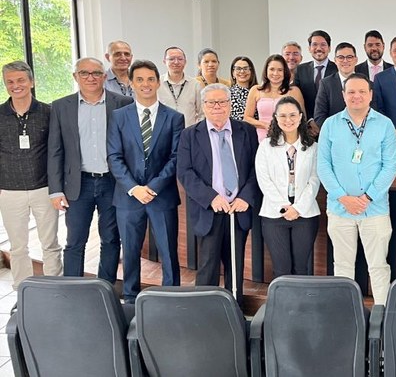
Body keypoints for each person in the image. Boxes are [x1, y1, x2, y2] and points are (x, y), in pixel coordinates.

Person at [47, 57, 133, 282]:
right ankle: (72, 290)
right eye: (84, 73)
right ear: (75, 77)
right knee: (75, 241)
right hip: (78, 184)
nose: (91, 78)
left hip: (112, 182)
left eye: (96, 73)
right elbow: (55, 150)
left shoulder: (122, 103)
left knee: (111, 239)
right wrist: (55, 190)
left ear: (105, 77)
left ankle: (105, 289)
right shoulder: (60, 106)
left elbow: (130, 147)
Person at [107, 60, 184, 303]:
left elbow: (175, 157)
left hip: (162, 195)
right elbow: (114, 156)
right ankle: (130, 298)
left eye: (150, 79)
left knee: (168, 251)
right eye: (139, 79)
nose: (146, 84)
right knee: (130, 251)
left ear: (158, 82)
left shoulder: (174, 118)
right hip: (128, 197)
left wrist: (152, 187)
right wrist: (134, 188)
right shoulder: (119, 116)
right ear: (131, 83)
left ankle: (170, 297)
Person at [317, 74, 396, 304]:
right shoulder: (330, 125)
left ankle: (382, 317)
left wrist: (368, 197)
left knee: (378, 266)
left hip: (375, 209)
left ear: (371, 95)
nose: (357, 96)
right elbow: (323, 166)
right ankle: (345, 317)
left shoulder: (384, 125)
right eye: (351, 92)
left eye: (362, 91)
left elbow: (390, 165)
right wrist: (343, 197)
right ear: (343, 95)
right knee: (342, 266)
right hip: (339, 208)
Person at [177, 83, 260, 302]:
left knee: (235, 267)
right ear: (203, 106)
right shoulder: (189, 135)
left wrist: (245, 197)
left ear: (230, 105)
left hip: (238, 210)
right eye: (211, 102)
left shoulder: (247, 131)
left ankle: (235, 313)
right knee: (207, 267)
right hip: (209, 210)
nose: (217, 107)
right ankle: (205, 314)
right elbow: (185, 172)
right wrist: (211, 198)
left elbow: (256, 168)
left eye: (222, 102)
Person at [0, 61, 62, 288]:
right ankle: (22, 290)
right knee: (18, 247)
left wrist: (58, 186)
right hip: (9, 190)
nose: (16, 86)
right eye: (10, 82)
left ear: (31, 82)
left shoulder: (49, 112)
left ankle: (55, 287)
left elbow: (58, 151)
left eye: (21, 80)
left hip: (44, 189)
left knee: (50, 243)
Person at [255, 96, 320, 277]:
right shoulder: (266, 146)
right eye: (282, 116)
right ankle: (283, 306)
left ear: (300, 117)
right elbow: (264, 180)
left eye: (292, 115)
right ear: (275, 118)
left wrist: (298, 208)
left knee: (301, 268)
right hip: (274, 215)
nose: (288, 120)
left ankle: (303, 306)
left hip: (305, 214)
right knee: (281, 269)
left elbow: (315, 180)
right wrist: (284, 207)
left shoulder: (313, 147)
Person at [244, 54, 305, 141]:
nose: (275, 73)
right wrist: (264, 125)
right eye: (272, 69)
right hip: (262, 138)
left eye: (280, 70)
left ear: (285, 72)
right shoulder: (255, 90)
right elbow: (247, 118)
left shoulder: (294, 91)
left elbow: (302, 118)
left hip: (289, 138)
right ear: (266, 71)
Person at [313, 42, 358, 127]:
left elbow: (373, 113)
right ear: (335, 60)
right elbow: (319, 116)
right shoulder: (325, 84)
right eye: (341, 57)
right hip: (334, 136)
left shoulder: (366, 83)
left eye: (349, 57)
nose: (345, 61)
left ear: (356, 60)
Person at [157, 46, 203, 127]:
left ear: (185, 61)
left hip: (188, 133)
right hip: (164, 134)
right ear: (164, 61)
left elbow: (202, 113)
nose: (176, 62)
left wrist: (196, 131)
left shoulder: (195, 84)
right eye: (171, 59)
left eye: (180, 59)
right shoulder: (157, 84)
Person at [296, 30, 337, 120]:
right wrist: (309, 121)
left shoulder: (337, 69)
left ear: (329, 48)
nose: (318, 48)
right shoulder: (300, 69)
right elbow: (296, 99)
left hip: (331, 123)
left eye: (323, 44)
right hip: (307, 125)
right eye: (314, 44)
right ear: (309, 48)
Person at [228, 56, 258, 121]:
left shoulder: (260, 91)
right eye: (238, 68)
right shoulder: (227, 94)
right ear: (233, 73)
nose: (242, 71)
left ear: (251, 72)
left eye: (246, 68)